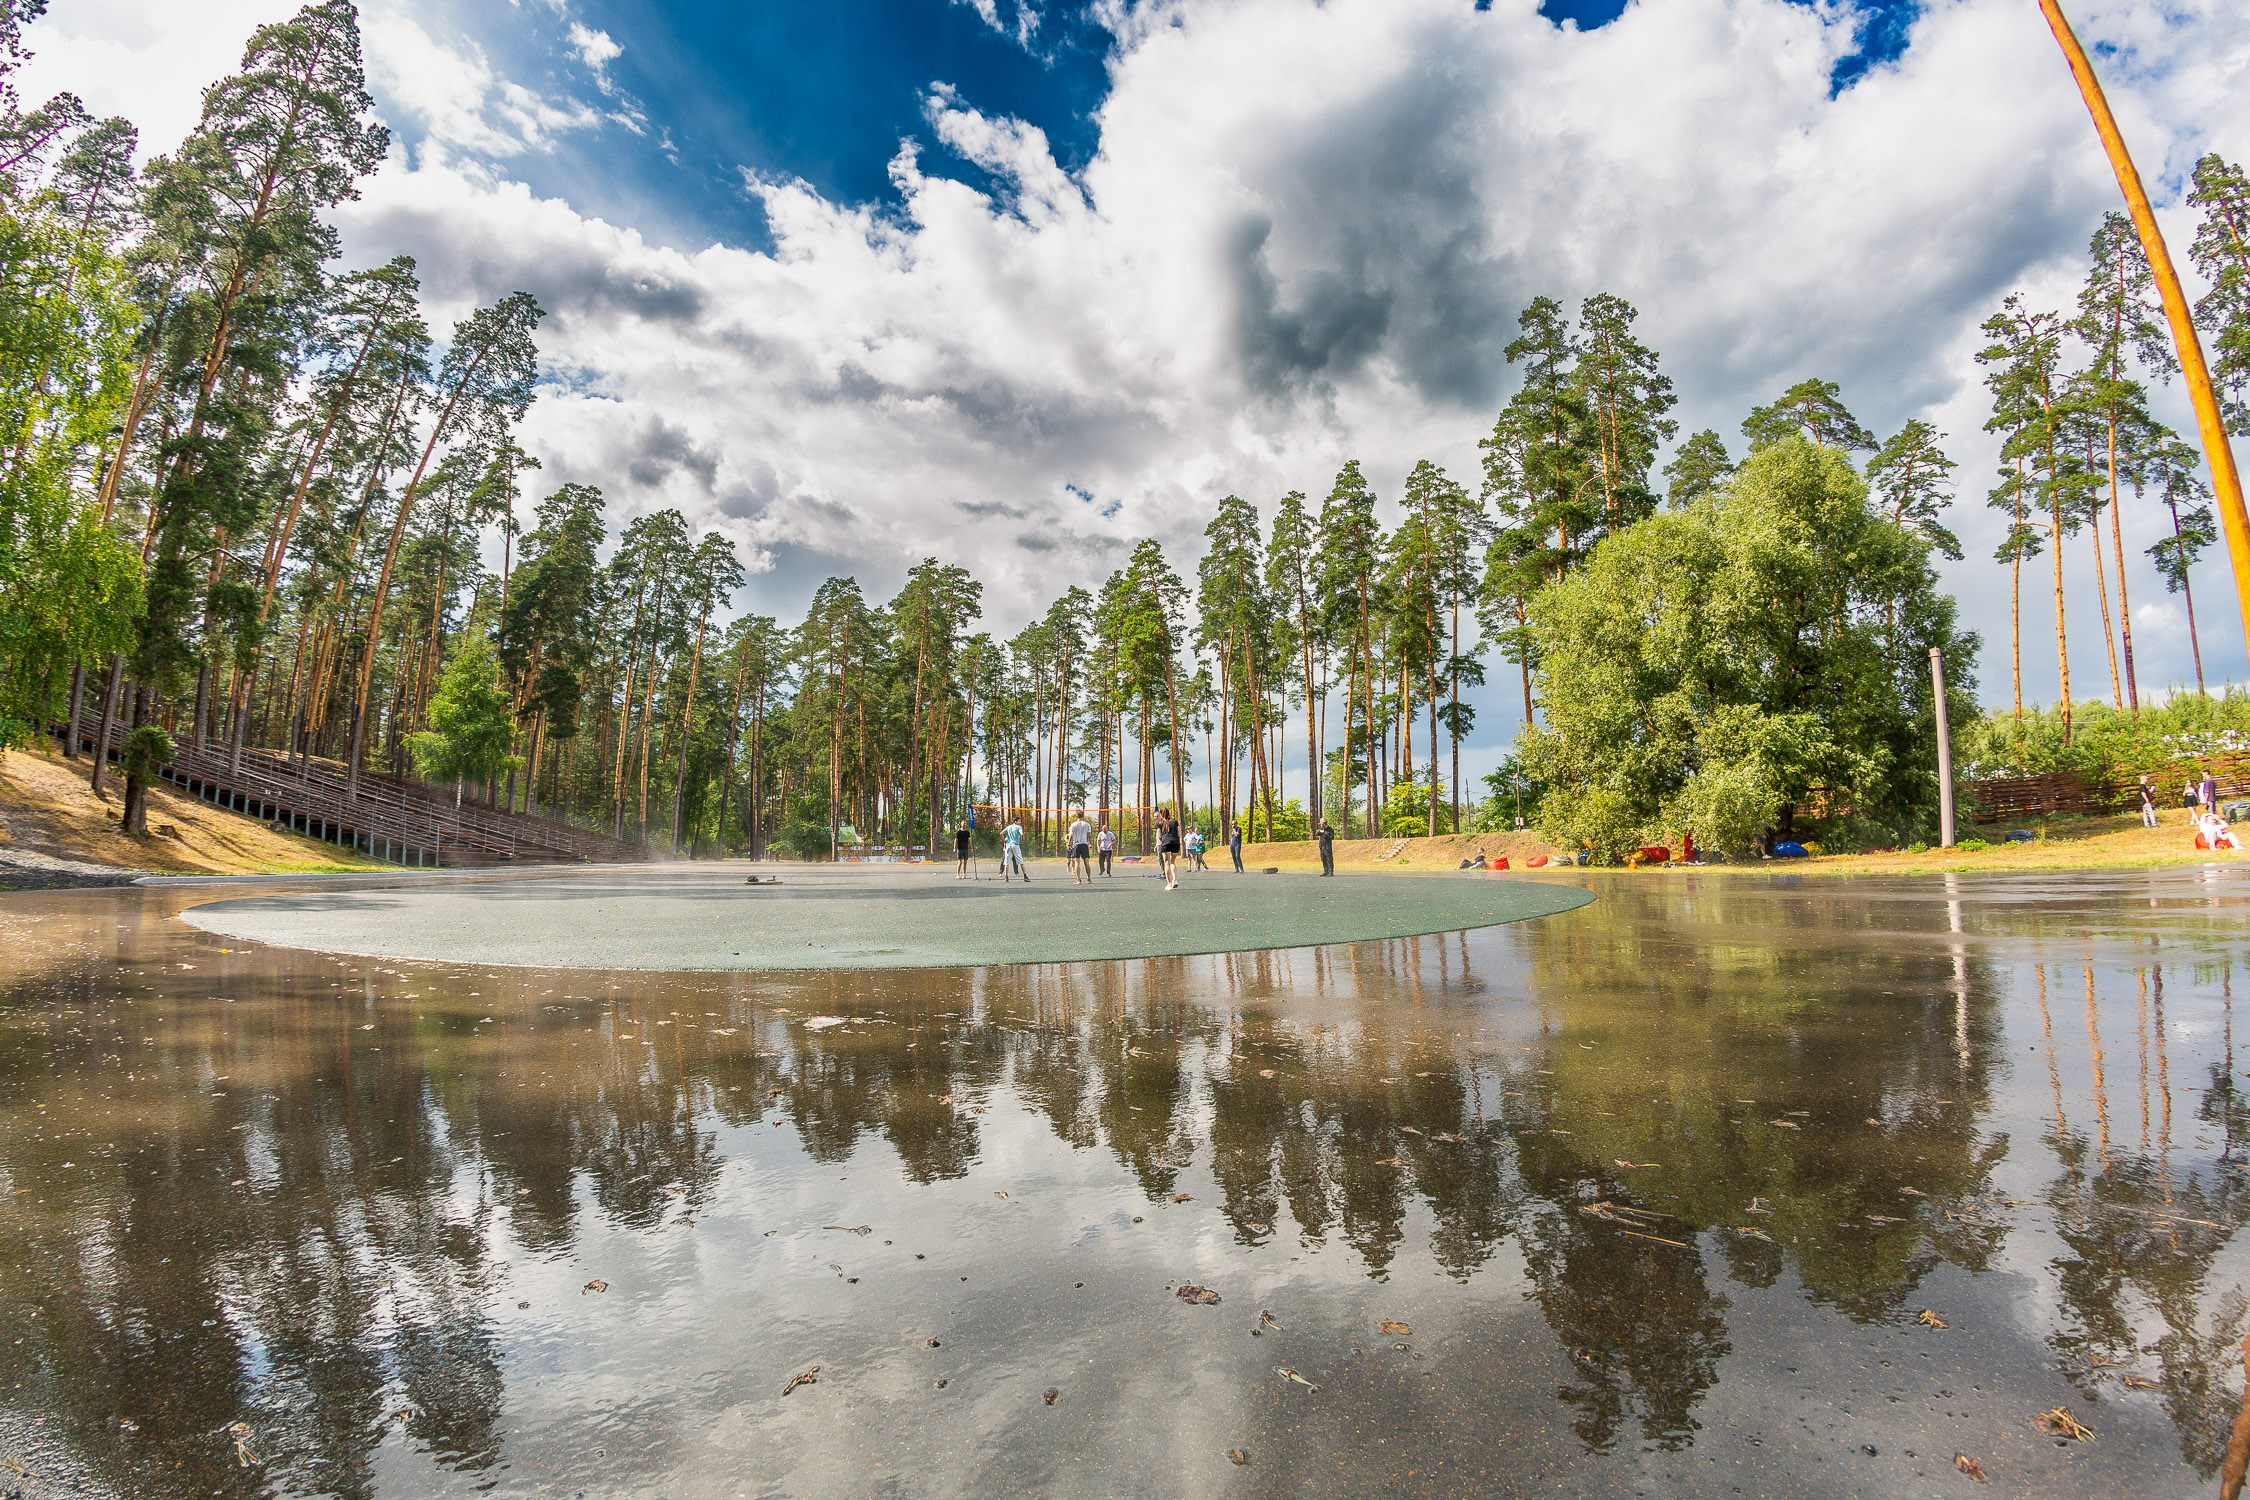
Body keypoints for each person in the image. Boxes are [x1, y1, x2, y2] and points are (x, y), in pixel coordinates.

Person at [1157, 806, 1182, 890]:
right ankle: (1175, 880)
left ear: (1161, 814)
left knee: (1166, 862)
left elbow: (1159, 835)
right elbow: (1179, 833)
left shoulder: (1159, 823)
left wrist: (1162, 840)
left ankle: (1169, 883)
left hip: (1166, 843)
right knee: (1173, 862)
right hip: (1175, 843)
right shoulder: (1175, 822)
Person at [1067, 809, 1093, 885]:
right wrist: (1090, 844)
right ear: (1083, 816)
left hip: (1076, 845)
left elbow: (1071, 836)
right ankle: (1088, 879)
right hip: (1084, 844)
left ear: (1076, 816)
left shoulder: (1073, 825)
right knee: (1087, 863)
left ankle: (1078, 879)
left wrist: (1069, 844)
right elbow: (1089, 836)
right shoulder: (1087, 824)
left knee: (1077, 863)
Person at [1001, 816, 1029, 881]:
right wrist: (1022, 839)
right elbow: (1021, 834)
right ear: (1015, 821)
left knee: (1007, 862)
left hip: (1008, 845)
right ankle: (1025, 876)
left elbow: (1001, 833)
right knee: (1021, 861)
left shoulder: (1008, 827)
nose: (1020, 822)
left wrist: (1004, 841)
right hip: (1015, 845)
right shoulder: (1019, 827)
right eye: (1019, 821)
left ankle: (1006, 877)